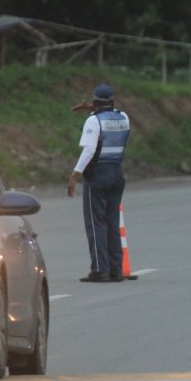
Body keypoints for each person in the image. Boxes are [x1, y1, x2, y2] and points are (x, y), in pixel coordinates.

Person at [67, 83, 131, 282]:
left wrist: (75, 175)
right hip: (117, 175)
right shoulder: (124, 118)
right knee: (112, 222)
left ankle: (99, 270)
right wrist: (94, 109)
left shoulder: (93, 121)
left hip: (97, 176)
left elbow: (89, 150)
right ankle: (116, 270)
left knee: (96, 223)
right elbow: (110, 118)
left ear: (94, 102)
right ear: (112, 101)